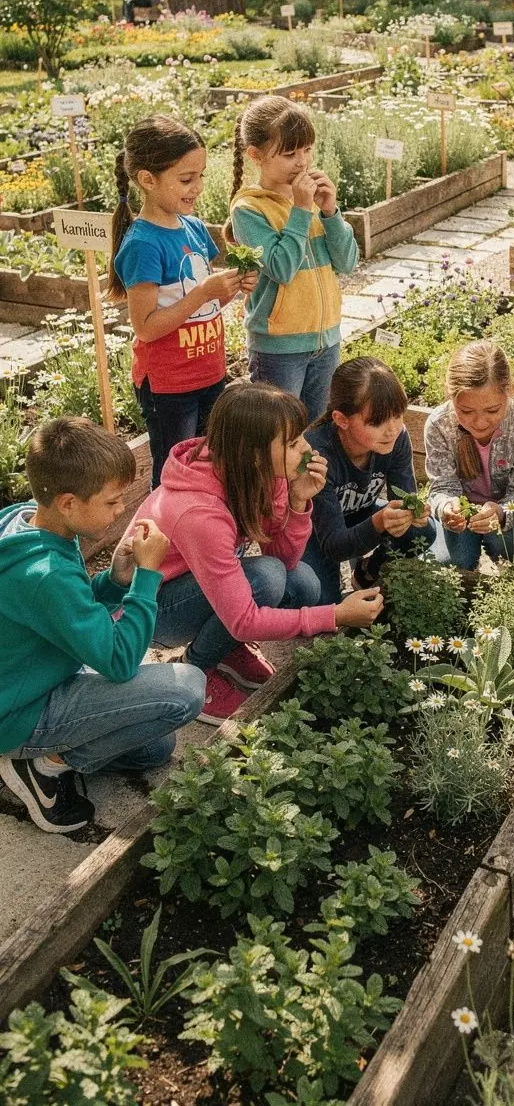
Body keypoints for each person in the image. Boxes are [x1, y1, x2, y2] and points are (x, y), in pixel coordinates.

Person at [131, 379, 383, 723]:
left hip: (199, 588)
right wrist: (335, 615)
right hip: (151, 611)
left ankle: (227, 649)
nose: (306, 449)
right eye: (293, 442)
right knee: (266, 579)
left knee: (301, 582)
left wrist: (298, 501)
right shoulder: (199, 513)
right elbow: (245, 618)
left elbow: (284, 560)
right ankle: (196, 669)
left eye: (301, 437)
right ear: (254, 453)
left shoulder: (263, 472)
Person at [0, 417, 205, 835]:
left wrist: (116, 580)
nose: (121, 510)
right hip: (19, 713)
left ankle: (53, 753)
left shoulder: (28, 522)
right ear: (68, 502)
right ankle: (41, 765)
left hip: (34, 680)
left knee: (155, 748)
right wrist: (147, 577)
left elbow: (66, 611)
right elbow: (120, 661)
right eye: (112, 502)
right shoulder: (45, 573)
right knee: (185, 690)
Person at [109, 115, 258, 488]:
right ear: (148, 180)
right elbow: (146, 327)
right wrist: (204, 292)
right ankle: (164, 526)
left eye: (201, 176)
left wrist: (230, 287)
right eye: (187, 179)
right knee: (173, 472)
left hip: (209, 371)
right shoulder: (143, 244)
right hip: (169, 384)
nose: (199, 187)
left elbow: (203, 306)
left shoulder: (193, 227)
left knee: (209, 463)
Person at [228, 94, 359, 421]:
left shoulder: (312, 199)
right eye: (289, 154)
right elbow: (282, 268)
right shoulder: (249, 209)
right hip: (278, 349)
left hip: (326, 341)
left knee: (317, 432)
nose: (302, 162)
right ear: (255, 155)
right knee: (280, 433)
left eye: (307, 150)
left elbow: (347, 262)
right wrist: (301, 210)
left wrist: (330, 212)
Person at [302, 357, 435, 604]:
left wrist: (412, 513)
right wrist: (379, 522)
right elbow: (333, 545)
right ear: (342, 420)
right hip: (315, 532)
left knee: (422, 530)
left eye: (398, 415)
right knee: (324, 603)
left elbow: (405, 499)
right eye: (377, 422)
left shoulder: (396, 438)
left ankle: (368, 571)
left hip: (360, 513)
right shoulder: (317, 454)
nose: (392, 429)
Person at [425, 340, 514, 572]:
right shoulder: (440, 424)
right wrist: (447, 508)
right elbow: (441, 487)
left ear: (510, 391)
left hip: (503, 514)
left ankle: (506, 568)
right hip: (462, 517)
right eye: (466, 411)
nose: (479, 422)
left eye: (492, 410)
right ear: (450, 395)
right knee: (451, 563)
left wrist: (501, 513)